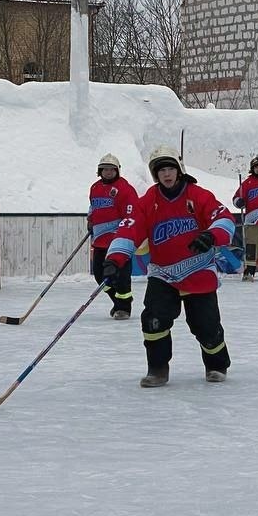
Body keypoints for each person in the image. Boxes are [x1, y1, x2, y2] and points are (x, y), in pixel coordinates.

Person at [102, 146, 235, 387]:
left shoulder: (198, 195)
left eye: (170, 168)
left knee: (206, 326)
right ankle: (157, 369)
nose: (166, 174)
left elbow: (224, 218)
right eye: (161, 170)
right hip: (163, 273)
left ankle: (217, 364)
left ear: (179, 170)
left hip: (198, 271)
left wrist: (212, 235)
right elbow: (129, 228)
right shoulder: (148, 201)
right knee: (153, 320)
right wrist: (114, 258)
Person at [88, 154, 139, 320]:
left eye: (112, 169)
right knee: (99, 276)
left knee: (121, 277)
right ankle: (118, 302)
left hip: (119, 242)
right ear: (99, 171)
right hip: (100, 241)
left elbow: (131, 215)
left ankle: (124, 308)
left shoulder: (125, 189)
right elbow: (93, 208)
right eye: (105, 169)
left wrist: (124, 234)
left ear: (117, 171)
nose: (108, 172)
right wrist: (90, 221)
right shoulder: (95, 188)